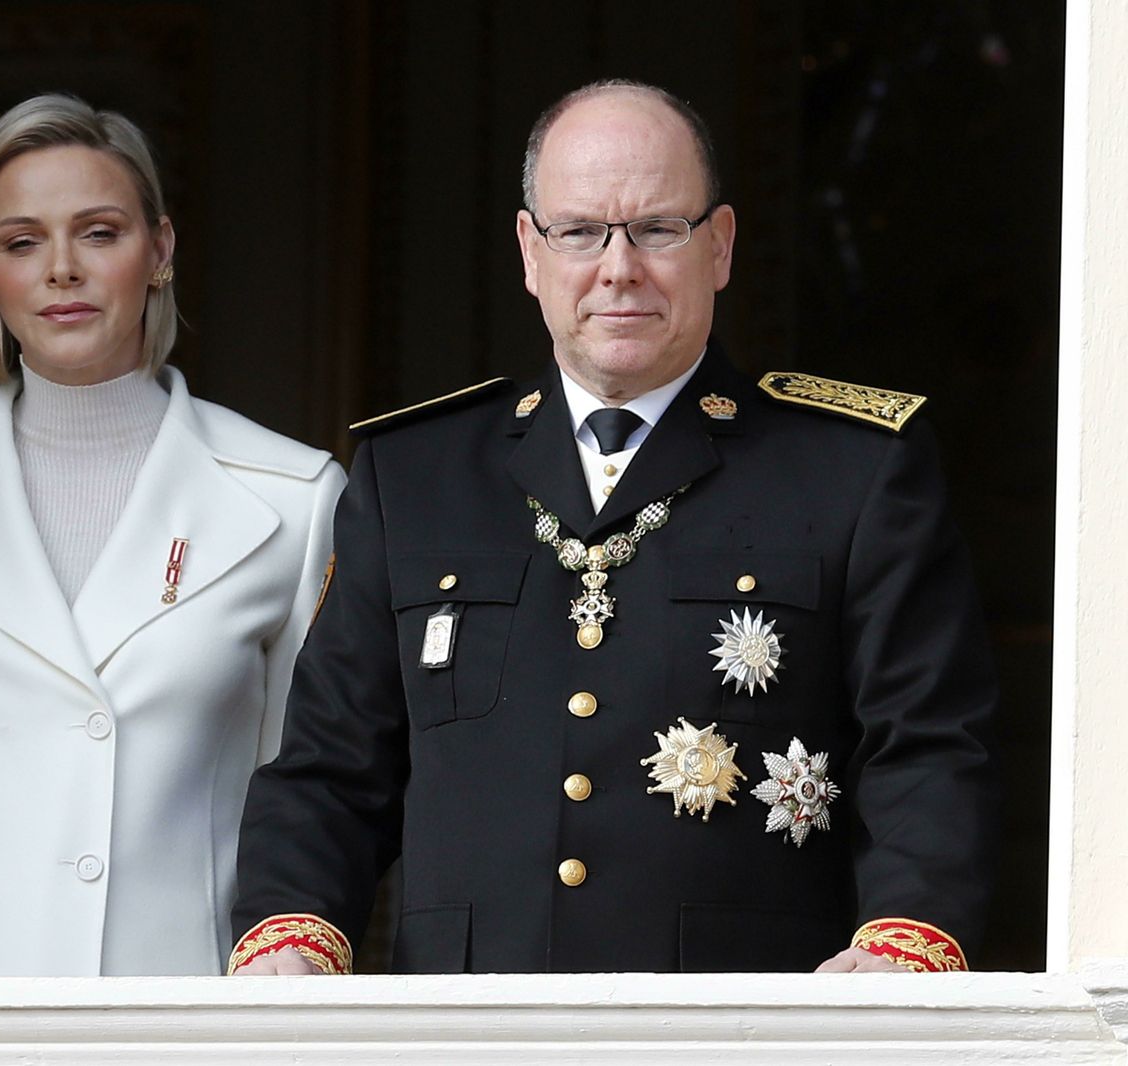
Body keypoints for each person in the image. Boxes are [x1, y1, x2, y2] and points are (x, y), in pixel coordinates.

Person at [228, 79, 996, 976]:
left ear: (720, 246)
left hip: (737, 1032)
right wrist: (289, 935)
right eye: (581, 231)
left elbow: (927, 744)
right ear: (530, 251)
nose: (618, 267)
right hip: (468, 1033)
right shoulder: (414, 477)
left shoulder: (853, 471)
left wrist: (906, 940)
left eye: (658, 229)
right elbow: (330, 766)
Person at [0, 93, 344, 977]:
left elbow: (298, 807)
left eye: (98, 233)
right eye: (22, 243)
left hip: (176, 1016)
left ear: (160, 251)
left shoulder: (292, 500)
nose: (61, 269)